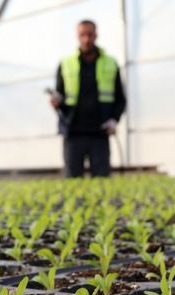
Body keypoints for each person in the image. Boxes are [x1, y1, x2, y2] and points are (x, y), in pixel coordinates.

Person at [49, 19, 127, 178]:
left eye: (90, 34)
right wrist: (56, 103)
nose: (86, 39)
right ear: (77, 36)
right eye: (82, 35)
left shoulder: (110, 63)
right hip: (73, 133)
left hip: (99, 133)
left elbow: (120, 99)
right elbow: (60, 96)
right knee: (72, 182)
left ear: (96, 35)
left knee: (102, 181)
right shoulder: (65, 64)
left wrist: (114, 119)